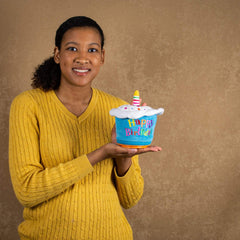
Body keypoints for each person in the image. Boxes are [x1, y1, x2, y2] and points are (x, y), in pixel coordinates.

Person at [9, 16, 161, 240]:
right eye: (72, 49)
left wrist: (124, 155)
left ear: (102, 57)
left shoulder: (119, 110)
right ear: (57, 54)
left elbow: (130, 200)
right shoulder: (28, 105)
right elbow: (27, 191)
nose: (82, 58)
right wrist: (99, 154)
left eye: (92, 50)